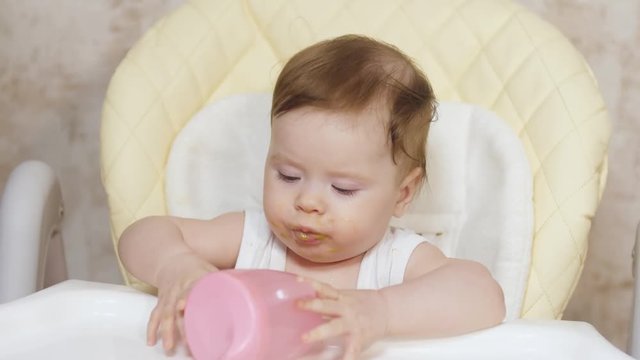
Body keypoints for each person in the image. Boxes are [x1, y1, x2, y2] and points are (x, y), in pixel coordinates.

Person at [118, 34, 506, 359]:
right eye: (287, 175)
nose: (307, 202)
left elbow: (484, 295)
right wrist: (175, 265)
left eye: (342, 189)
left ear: (402, 194)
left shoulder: (394, 262)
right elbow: (143, 234)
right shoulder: (252, 238)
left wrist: (382, 311)